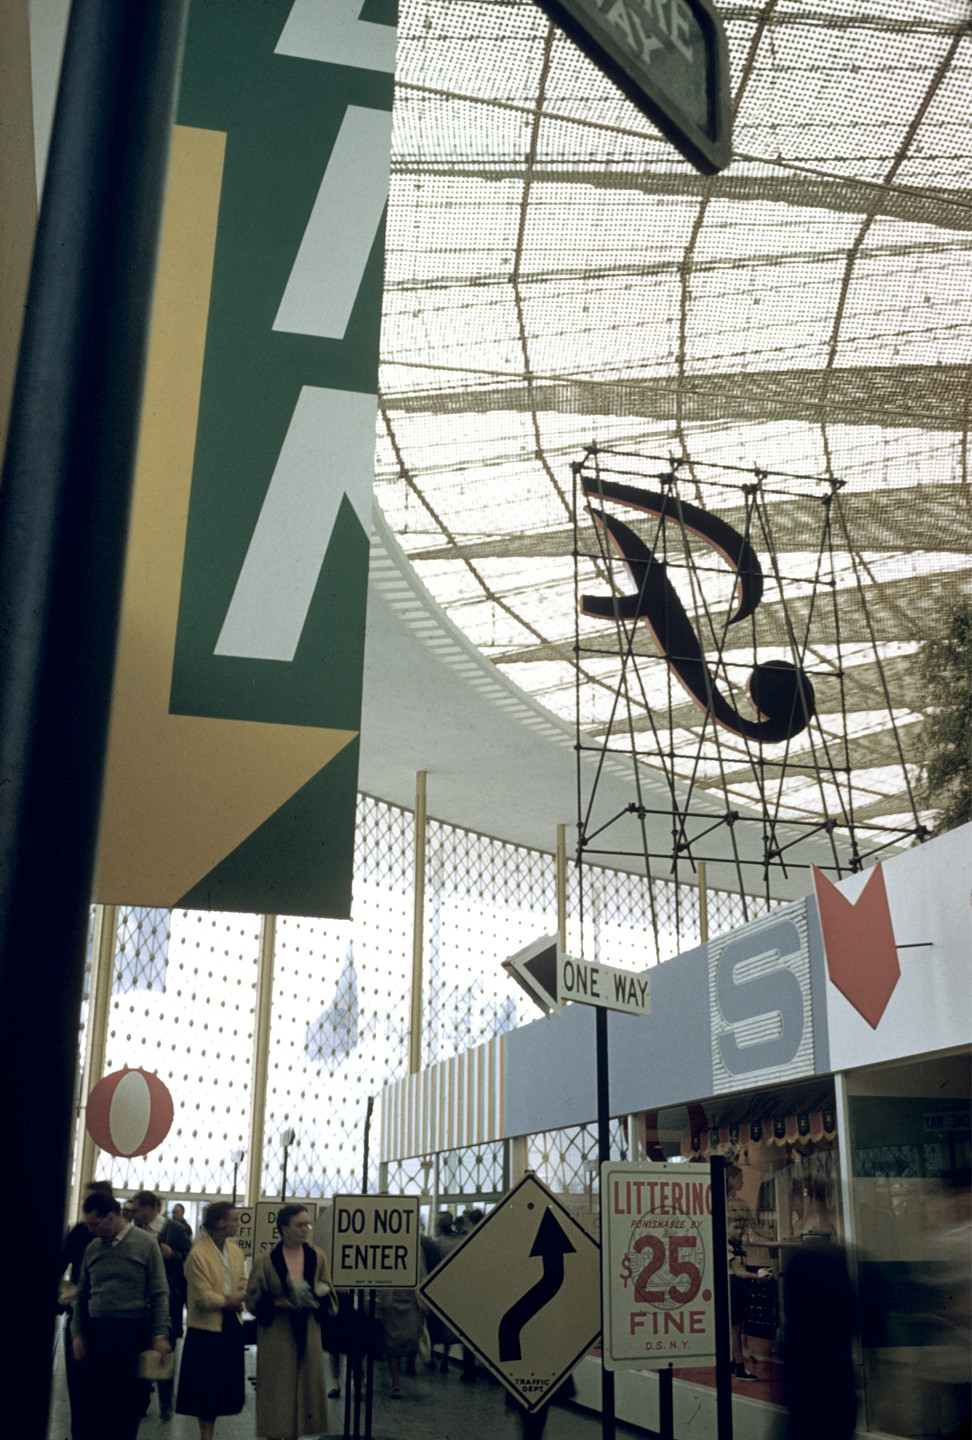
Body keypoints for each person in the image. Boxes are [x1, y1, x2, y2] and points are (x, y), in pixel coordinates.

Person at [70, 1190, 171, 1440]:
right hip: (96, 1334)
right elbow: (82, 1295)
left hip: (131, 1334)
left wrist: (160, 1334)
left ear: (112, 1217)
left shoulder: (146, 1244)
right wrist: (77, 1333)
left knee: (126, 1408)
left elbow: (159, 1292)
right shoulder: (93, 1248)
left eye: (95, 1224)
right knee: (93, 1407)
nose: (91, 1230)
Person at [245, 1203, 339, 1439]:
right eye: (299, 1225)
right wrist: (276, 1304)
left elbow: (329, 1292)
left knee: (306, 1392)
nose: (305, 1229)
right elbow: (252, 1299)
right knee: (279, 1392)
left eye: (307, 1224)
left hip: (307, 1331)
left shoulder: (317, 1257)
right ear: (284, 1228)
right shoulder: (266, 1260)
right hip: (277, 1334)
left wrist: (318, 1301)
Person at [175, 1201, 247, 1440]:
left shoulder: (235, 1252)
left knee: (223, 1386)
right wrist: (228, 1299)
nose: (238, 1223)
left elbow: (242, 1283)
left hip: (230, 1323)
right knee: (205, 1387)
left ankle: (211, 1432)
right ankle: (205, 1434)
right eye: (234, 1219)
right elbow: (201, 1295)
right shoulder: (197, 1254)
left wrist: (239, 1298)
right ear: (220, 1223)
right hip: (206, 1328)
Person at [59, 1180, 114, 1440]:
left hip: (110, 1321)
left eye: (91, 1200)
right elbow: (59, 1266)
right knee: (78, 1385)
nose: (86, 1207)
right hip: (79, 1316)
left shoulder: (123, 1238)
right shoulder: (80, 1233)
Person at [133, 1189, 192, 1421]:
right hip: (141, 1302)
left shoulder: (174, 1230)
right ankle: (141, 1402)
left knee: (165, 1353)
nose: (134, 1213)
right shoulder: (134, 1232)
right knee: (142, 1350)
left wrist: (173, 1255)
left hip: (169, 1301)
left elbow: (190, 1260)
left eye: (137, 1209)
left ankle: (166, 1403)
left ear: (149, 1209)